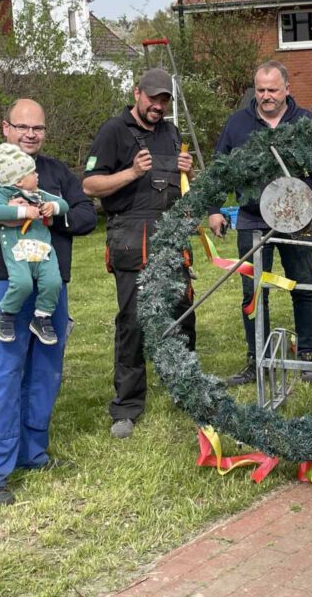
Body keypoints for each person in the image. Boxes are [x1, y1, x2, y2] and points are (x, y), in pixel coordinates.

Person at [0, 98, 97, 505]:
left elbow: (86, 215)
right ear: (5, 128)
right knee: (4, 371)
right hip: (0, 285)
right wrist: (4, 214)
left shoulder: (55, 173)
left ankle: (33, 454)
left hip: (49, 287)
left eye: (38, 128)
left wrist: (53, 212)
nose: (31, 134)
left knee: (45, 371)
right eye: (22, 127)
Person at [207, 60, 312, 386]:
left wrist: (305, 158)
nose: (266, 96)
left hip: (296, 219)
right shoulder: (237, 124)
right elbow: (219, 168)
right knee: (253, 292)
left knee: (303, 285)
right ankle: (257, 359)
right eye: (260, 90)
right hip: (251, 219)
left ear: (287, 89)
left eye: (272, 89)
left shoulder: (305, 122)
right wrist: (214, 208)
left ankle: (308, 355)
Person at [82, 68, 196, 439]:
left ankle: (183, 388)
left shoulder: (171, 133)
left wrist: (187, 175)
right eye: (153, 99)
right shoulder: (113, 131)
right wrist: (131, 173)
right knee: (133, 319)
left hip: (169, 233)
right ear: (137, 94)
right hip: (130, 235)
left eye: (164, 100)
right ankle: (127, 406)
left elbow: (183, 192)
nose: (158, 106)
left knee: (181, 312)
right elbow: (90, 185)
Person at [0, 143, 70, 346]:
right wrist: (24, 212)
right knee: (22, 283)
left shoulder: (39, 194)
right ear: (19, 181)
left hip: (42, 250)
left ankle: (42, 317)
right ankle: (6, 314)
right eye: (33, 172)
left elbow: (64, 205)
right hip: (18, 250)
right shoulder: (2, 193)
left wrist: (53, 206)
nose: (37, 175)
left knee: (53, 282)